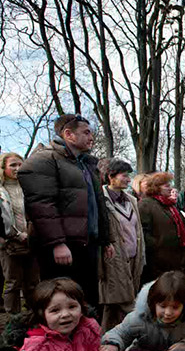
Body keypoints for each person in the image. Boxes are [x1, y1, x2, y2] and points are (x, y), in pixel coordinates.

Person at [18, 114, 115, 317]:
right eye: (86, 132)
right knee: (61, 304)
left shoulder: (87, 164)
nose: (91, 137)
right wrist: (57, 243)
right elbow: (42, 206)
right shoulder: (43, 160)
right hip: (62, 249)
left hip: (87, 245)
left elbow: (97, 204)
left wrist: (106, 239)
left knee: (86, 301)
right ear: (69, 134)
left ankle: (86, 346)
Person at [99, 159, 145, 331]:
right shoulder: (101, 200)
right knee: (126, 301)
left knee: (112, 306)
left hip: (133, 258)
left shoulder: (132, 200)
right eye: (124, 175)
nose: (128, 179)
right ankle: (139, 334)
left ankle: (104, 338)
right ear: (111, 177)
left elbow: (137, 230)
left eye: (129, 176)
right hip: (114, 260)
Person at [0, 153, 39, 314]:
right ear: (3, 168)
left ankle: (34, 316)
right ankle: (13, 322)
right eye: (13, 165)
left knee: (33, 283)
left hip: (31, 240)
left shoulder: (28, 187)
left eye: (20, 164)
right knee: (12, 283)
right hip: (8, 242)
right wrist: (16, 235)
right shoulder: (1, 190)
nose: (17, 168)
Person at [139, 172, 185, 282]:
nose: (170, 188)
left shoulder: (169, 205)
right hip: (157, 262)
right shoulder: (146, 204)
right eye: (166, 186)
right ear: (156, 188)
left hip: (175, 259)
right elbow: (143, 232)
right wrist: (157, 246)